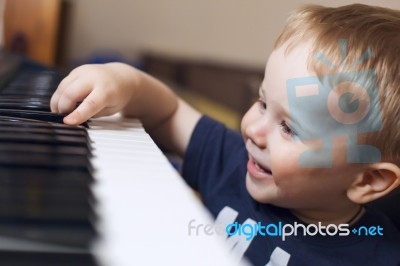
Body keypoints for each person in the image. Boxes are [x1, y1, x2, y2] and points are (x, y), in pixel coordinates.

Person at [50, 3, 400, 266]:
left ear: (367, 179)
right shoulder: (235, 161)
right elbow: (169, 111)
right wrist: (123, 79)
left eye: (289, 128)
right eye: (262, 103)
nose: (252, 130)